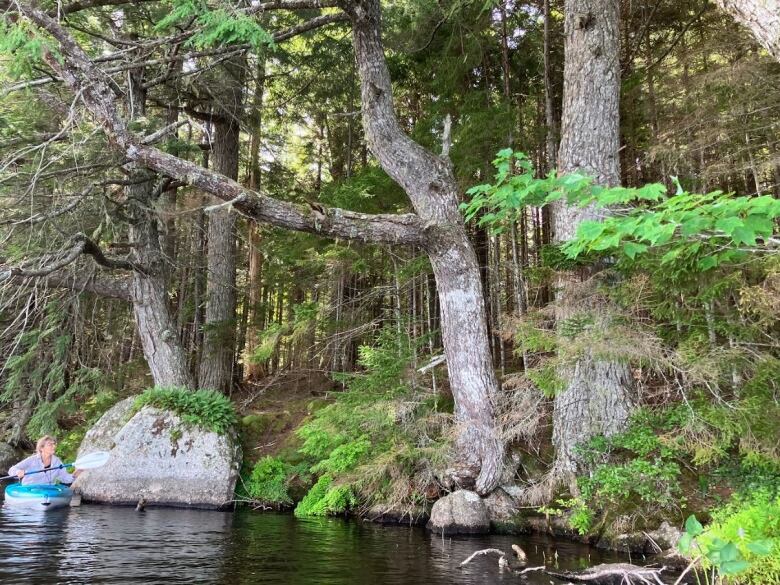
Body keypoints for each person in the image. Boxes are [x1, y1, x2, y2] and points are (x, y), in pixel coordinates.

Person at [7, 436, 82, 486]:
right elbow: (11, 470)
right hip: (30, 490)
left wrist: (75, 474)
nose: (54, 446)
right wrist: (18, 472)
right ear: (41, 448)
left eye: (54, 444)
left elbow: (65, 478)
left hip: (47, 491)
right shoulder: (32, 460)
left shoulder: (57, 461)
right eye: (50, 444)